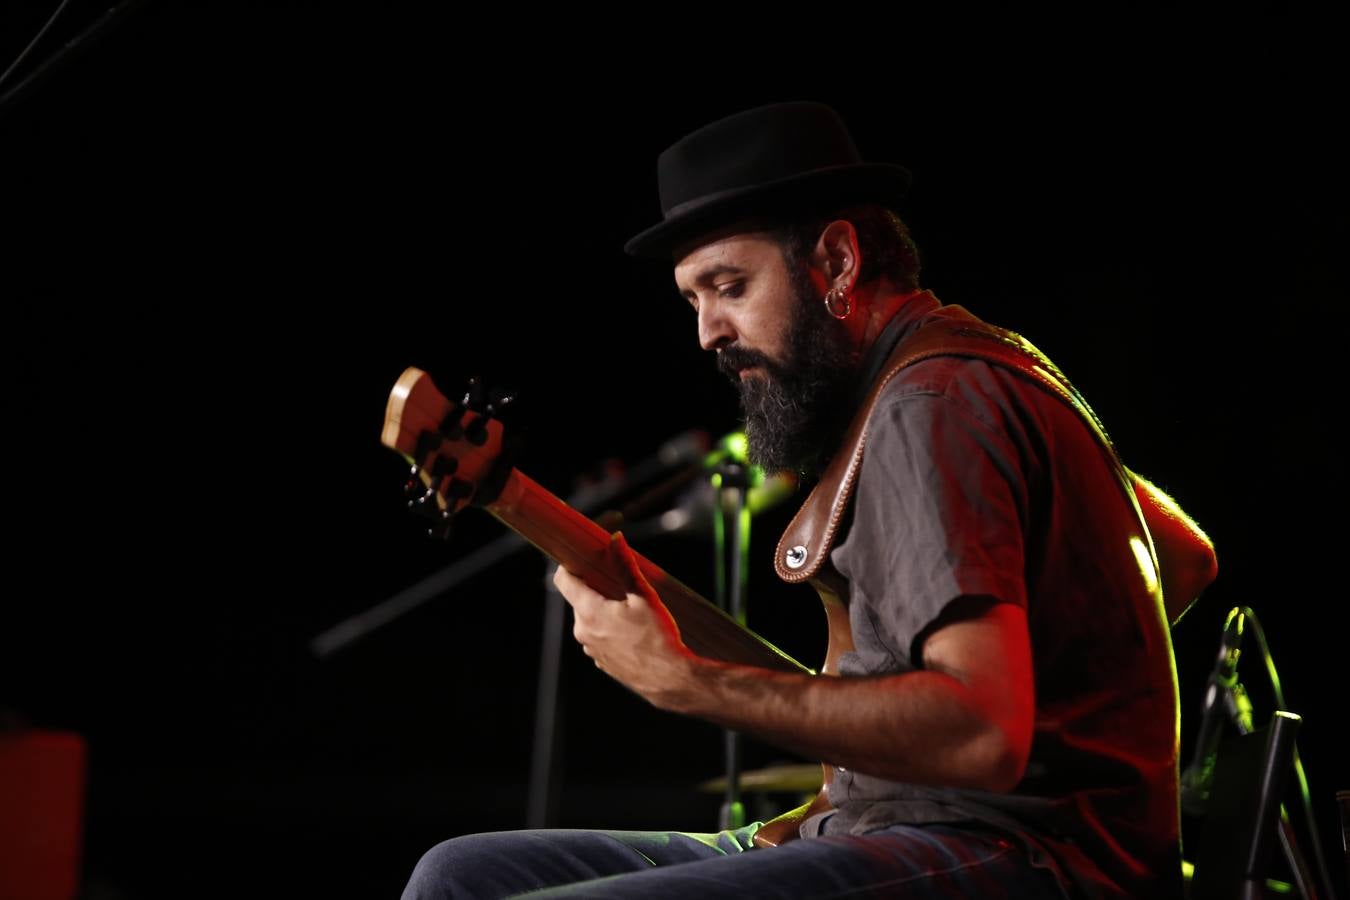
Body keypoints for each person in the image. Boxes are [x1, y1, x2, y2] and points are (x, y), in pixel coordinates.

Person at [402, 101, 1218, 899]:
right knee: (462, 875)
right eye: (692, 300)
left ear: (836, 262)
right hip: (899, 827)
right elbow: (1180, 556)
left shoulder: (929, 406)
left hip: (1018, 854)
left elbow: (978, 734)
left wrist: (686, 681)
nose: (707, 333)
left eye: (728, 286)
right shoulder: (971, 366)